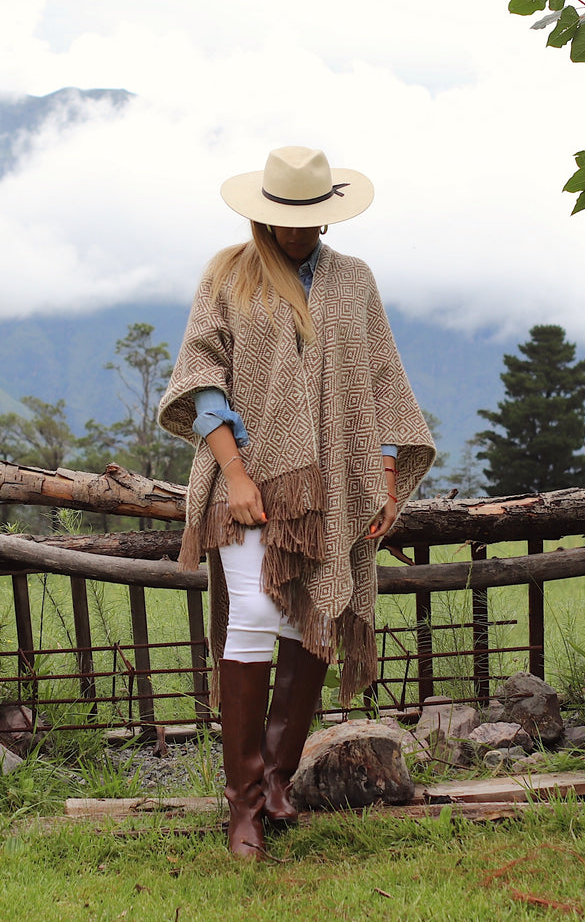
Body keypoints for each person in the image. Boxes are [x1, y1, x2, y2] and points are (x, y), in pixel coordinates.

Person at [158, 146, 435, 858]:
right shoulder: (230, 275)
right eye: (284, 219)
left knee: (317, 612)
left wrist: (383, 478)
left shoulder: (352, 281)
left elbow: (378, 379)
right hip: (249, 479)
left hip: (338, 483)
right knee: (251, 616)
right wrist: (239, 475)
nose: (297, 231)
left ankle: (278, 779)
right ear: (261, 213)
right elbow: (203, 380)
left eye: (310, 220)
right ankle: (242, 806)